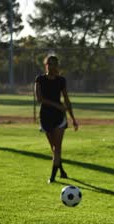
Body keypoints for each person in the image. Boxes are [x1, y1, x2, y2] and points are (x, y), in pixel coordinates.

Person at [35, 55, 79, 183]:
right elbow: (39, 99)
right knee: (53, 148)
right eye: (50, 63)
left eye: (55, 64)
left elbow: (67, 100)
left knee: (58, 148)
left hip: (59, 117)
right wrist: (57, 105)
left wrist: (73, 118)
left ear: (57, 66)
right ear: (46, 65)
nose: (52, 66)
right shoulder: (39, 79)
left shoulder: (61, 80)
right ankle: (62, 171)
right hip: (46, 116)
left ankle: (52, 177)